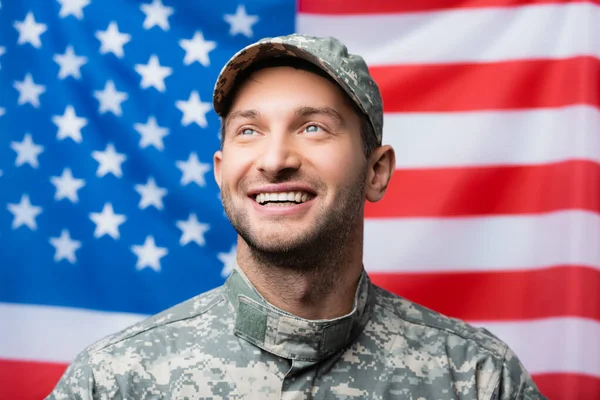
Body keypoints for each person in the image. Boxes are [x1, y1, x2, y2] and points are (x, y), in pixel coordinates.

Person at [47, 34, 547, 400]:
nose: (274, 159)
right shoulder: (115, 380)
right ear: (222, 173)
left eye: (313, 127)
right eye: (249, 131)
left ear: (376, 172)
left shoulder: (478, 378)